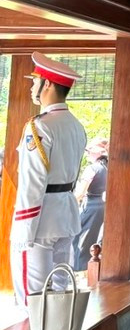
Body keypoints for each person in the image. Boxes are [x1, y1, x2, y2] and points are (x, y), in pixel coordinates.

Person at [10, 52, 87, 306]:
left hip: (40, 220)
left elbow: (33, 181)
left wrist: (23, 227)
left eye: (35, 81)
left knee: (32, 296)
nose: (33, 87)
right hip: (65, 214)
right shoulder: (75, 125)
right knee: (59, 291)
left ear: (48, 84)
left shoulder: (39, 126)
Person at [72, 137, 109, 271]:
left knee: (82, 240)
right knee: (96, 240)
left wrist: (71, 204)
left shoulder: (92, 169)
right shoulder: (110, 167)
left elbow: (81, 192)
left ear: (98, 152)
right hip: (104, 206)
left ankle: (81, 271)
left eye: (89, 150)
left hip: (91, 206)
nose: (87, 153)